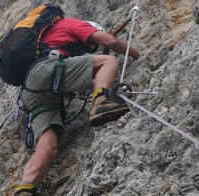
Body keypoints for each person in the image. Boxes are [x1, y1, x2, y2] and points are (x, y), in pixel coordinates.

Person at [14, 17, 140, 195]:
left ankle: (25, 187)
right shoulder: (74, 24)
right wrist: (137, 54)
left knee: (48, 147)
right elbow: (111, 41)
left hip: (32, 93)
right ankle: (101, 102)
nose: (90, 49)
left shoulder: (51, 40)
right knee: (108, 62)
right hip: (48, 70)